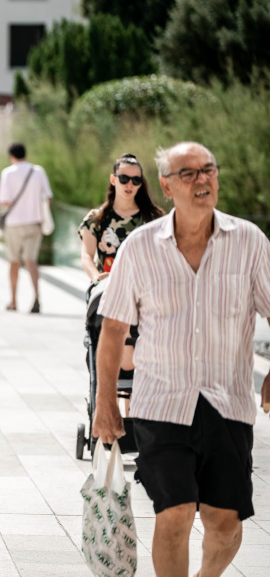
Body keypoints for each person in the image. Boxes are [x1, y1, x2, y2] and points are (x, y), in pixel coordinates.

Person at [95, 142, 270, 577]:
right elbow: (112, 329)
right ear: (167, 186)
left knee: (225, 522)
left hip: (227, 401)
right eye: (187, 172)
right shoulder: (140, 247)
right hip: (161, 402)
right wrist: (106, 404)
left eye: (208, 169)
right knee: (172, 515)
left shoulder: (250, 241)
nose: (202, 179)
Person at [79, 154, 165, 411]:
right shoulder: (97, 218)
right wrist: (97, 278)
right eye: (124, 178)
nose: (130, 184)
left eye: (136, 180)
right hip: (108, 289)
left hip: (145, 292)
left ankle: (134, 412)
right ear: (113, 179)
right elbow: (86, 255)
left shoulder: (154, 217)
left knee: (138, 341)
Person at [0, 142, 52, 313]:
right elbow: (47, 197)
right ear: (25, 154)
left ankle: (13, 301)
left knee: (14, 262)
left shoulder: (7, 173)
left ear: (11, 156)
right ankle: (36, 298)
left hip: (13, 223)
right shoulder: (38, 171)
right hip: (34, 222)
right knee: (31, 261)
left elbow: (5, 201)